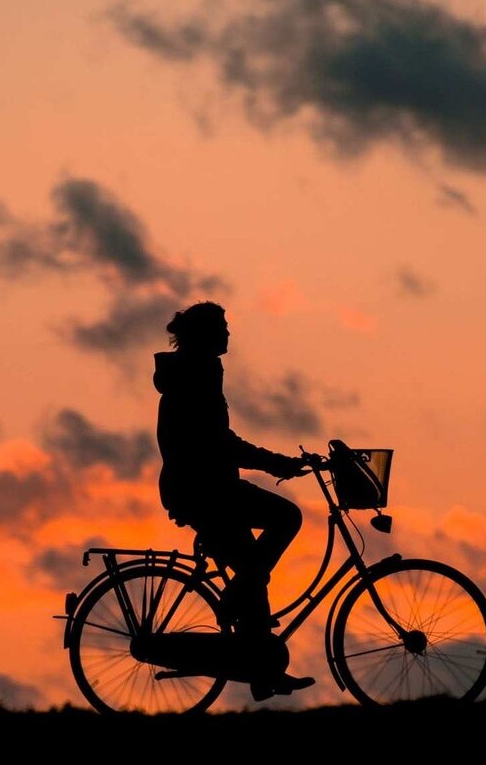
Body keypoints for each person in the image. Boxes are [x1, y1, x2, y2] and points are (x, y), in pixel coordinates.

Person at [152, 300, 315, 700]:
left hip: (207, 488)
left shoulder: (198, 372)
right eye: (222, 326)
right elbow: (220, 443)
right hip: (203, 491)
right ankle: (236, 600)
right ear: (207, 335)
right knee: (286, 518)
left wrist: (274, 463)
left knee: (252, 569)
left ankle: (263, 672)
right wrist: (276, 463)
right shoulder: (195, 375)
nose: (228, 333)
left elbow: (220, 443)